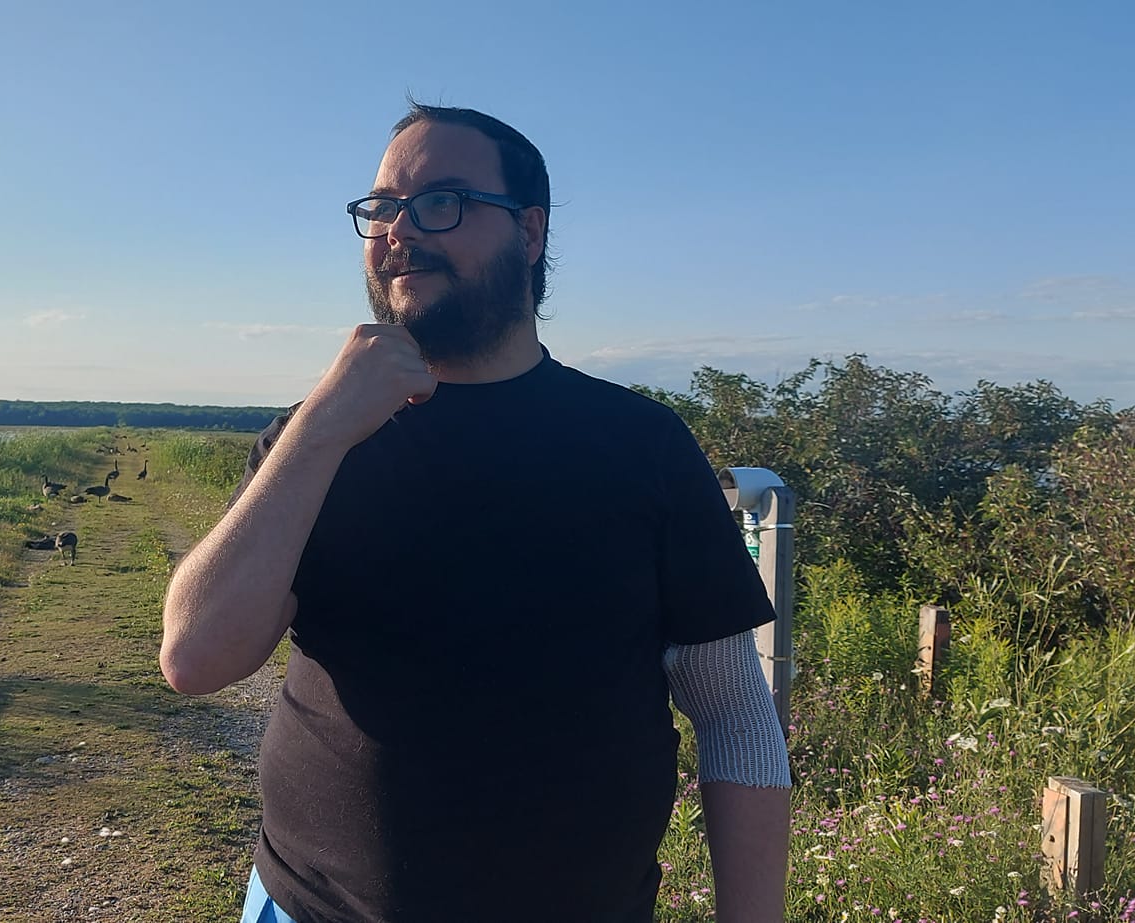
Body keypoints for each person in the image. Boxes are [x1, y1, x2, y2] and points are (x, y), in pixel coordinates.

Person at [160, 102, 791, 923]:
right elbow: (196, 657)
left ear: (529, 233)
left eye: (441, 201)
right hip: (312, 908)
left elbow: (734, 715)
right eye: (382, 206)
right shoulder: (315, 438)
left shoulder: (640, 445)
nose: (400, 229)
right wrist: (320, 427)